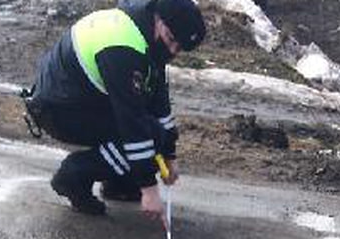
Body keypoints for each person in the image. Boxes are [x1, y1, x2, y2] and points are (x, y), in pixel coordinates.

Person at [24, 0, 206, 222]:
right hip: (58, 111)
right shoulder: (123, 49)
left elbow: (157, 97)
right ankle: (74, 176)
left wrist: (169, 156)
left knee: (153, 133)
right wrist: (149, 189)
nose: (172, 50)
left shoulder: (145, 32)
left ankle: (119, 184)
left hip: (80, 100)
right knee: (148, 135)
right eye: (171, 40)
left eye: (179, 48)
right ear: (159, 19)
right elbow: (132, 121)